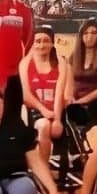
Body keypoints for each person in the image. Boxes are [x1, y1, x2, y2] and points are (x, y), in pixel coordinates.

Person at [19, 26, 70, 161]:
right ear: (33, 43)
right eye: (38, 41)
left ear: (52, 43)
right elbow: (26, 95)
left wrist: (58, 119)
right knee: (44, 125)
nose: (42, 45)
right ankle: (44, 168)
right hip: (35, 110)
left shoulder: (60, 63)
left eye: (46, 41)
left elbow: (60, 92)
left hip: (55, 110)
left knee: (53, 128)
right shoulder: (25, 64)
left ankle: (43, 162)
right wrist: (43, 110)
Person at [67, 19, 97, 129]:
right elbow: (70, 85)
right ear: (81, 36)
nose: (89, 36)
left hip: (96, 102)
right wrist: (71, 98)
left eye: (94, 33)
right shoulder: (73, 58)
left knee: (89, 118)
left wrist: (81, 101)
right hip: (76, 100)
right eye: (86, 33)